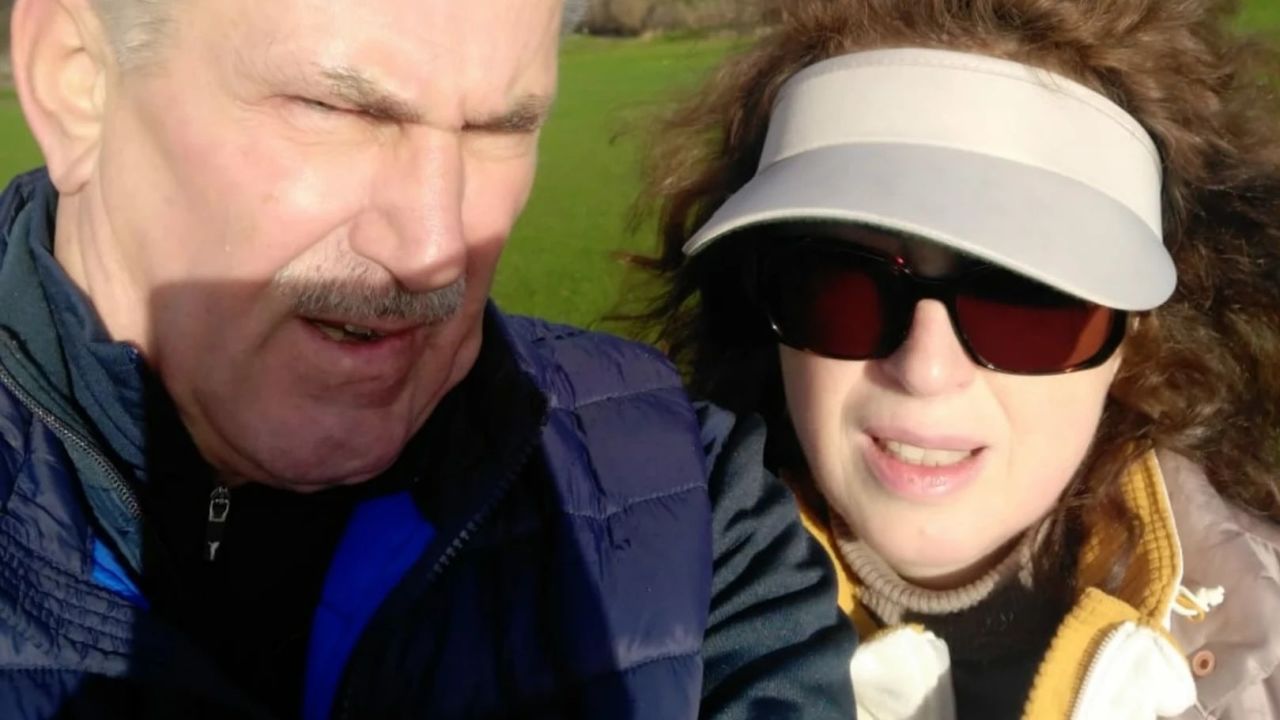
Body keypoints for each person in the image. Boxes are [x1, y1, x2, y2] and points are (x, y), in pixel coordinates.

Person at [0, 0, 858, 717]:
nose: (435, 251)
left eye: (498, 130)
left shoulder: (689, 503)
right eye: (337, 110)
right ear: (78, 82)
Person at [635, 0, 1280, 717]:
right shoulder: (624, 638)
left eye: (1026, 298)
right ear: (762, 301)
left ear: (1135, 332)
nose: (925, 369)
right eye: (842, 285)